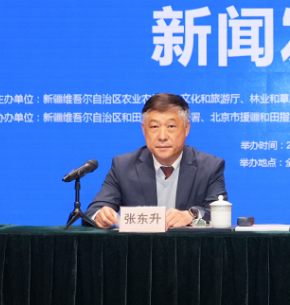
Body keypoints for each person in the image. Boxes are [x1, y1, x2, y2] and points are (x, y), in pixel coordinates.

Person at [87, 93, 227, 228]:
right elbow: (93, 211)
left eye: (171, 126)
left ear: (186, 128)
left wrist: (191, 215)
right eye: (154, 127)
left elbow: (219, 212)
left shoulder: (210, 167)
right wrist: (101, 215)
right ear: (144, 129)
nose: (162, 136)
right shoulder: (123, 166)